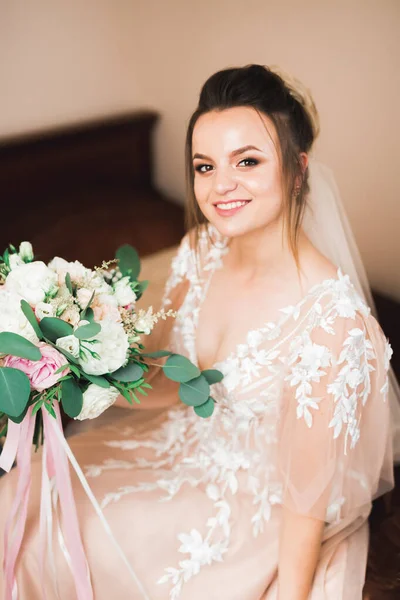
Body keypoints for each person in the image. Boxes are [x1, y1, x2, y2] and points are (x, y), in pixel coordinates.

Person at [0, 64, 397, 600]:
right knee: (24, 497)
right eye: (204, 166)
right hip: (174, 444)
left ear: (298, 170)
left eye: (248, 161)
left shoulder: (333, 326)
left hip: (251, 502)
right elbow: (177, 383)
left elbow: (306, 501)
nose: (220, 186)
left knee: (94, 535)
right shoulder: (200, 251)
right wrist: (88, 378)